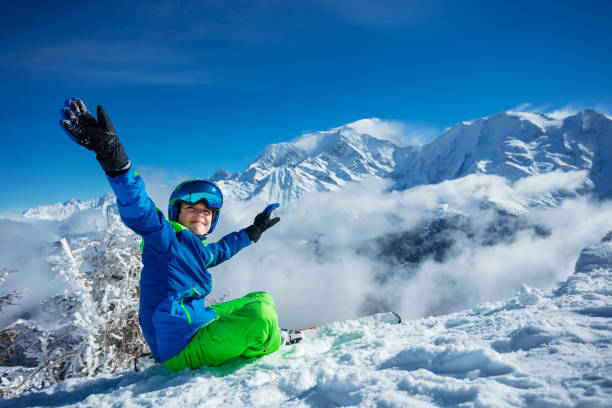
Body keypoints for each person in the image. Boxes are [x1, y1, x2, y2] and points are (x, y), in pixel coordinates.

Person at [60, 98, 301, 371]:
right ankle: (273, 340)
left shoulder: (197, 248)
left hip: (195, 323)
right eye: (192, 208)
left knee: (262, 298)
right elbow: (140, 211)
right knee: (262, 318)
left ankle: (249, 333)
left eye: (207, 211)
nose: (201, 214)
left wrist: (253, 231)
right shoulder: (164, 239)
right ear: (177, 213)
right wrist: (116, 163)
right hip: (179, 346)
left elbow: (222, 250)